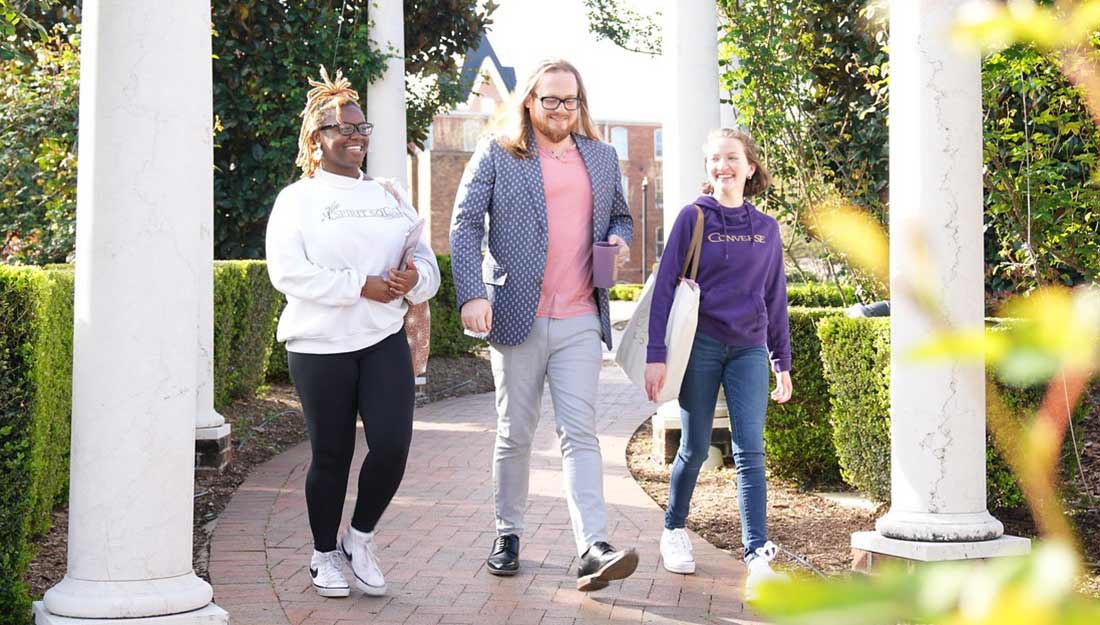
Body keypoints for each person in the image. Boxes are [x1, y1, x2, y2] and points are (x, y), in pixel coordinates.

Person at [449, 58, 638, 591]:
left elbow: (620, 215)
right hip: (516, 314)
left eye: (570, 100)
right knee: (515, 433)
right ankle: (507, 534)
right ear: (529, 100)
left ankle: (592, 546)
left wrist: (619, 238)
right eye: (550, 99)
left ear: (581, 104)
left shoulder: (600, 157)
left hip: (581, 314)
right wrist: (470, 295)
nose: (560, 109)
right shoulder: (500, 151)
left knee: (580, 433)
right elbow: (464, 224)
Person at [265, 67, 440, 598]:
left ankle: (358, 538)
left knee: (392, 446)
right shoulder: (297, 200)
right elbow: (286, 273)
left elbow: (425, 264)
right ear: (316, 141)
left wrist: (413, 281)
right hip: (320, 347)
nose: (356, 135)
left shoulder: (388, 194)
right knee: (332, 455)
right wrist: (357, 286)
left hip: (382, 339)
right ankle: (323, 555)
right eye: (343, 128)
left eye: (361, 127)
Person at [644, 128, 792, 600]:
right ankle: (673, 529)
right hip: (702, 347)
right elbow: (665, 287)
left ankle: (756, 556)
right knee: (692, 446)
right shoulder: (694, 218)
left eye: (732, 158)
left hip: (748, 349)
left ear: (750, 167)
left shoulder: (767, 229)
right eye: (714, 159)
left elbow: (775, 299)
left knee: (751, 452)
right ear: (708, 169)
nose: (722, 166)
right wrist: (656, 356)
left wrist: (780, 361)